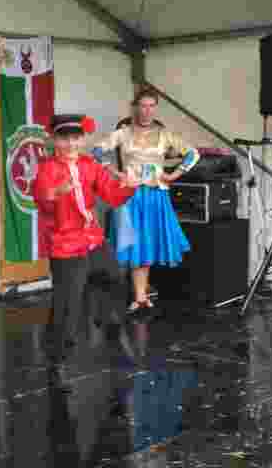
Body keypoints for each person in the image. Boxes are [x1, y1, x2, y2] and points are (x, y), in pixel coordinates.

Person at [33, 114, 141, 390]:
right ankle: (57, 362)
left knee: (114, 279)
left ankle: (111, 329)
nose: (71, 144)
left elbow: (112, 195)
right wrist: (56, 193)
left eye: (76, 138)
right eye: (65, 139)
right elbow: (42, 201)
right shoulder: (47, 169)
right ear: (55, 140)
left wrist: (129, 186)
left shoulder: (89, 164)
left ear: (82, 139)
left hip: (92, 239)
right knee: (67, 307)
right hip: (66, 245)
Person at [92, 88, 200, 312]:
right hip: (130, 195)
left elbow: (193, 153)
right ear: (135, 107)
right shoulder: (123, 133)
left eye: (152, 106)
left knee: (148, 241)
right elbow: (97, 151)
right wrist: (115, 172)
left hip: (155, 195)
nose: (147, 110)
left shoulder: (165, 134)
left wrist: (174, 174)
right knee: (134, 243)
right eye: (143, 105)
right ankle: (139, 295)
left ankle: (141, 296)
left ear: (155, 108)